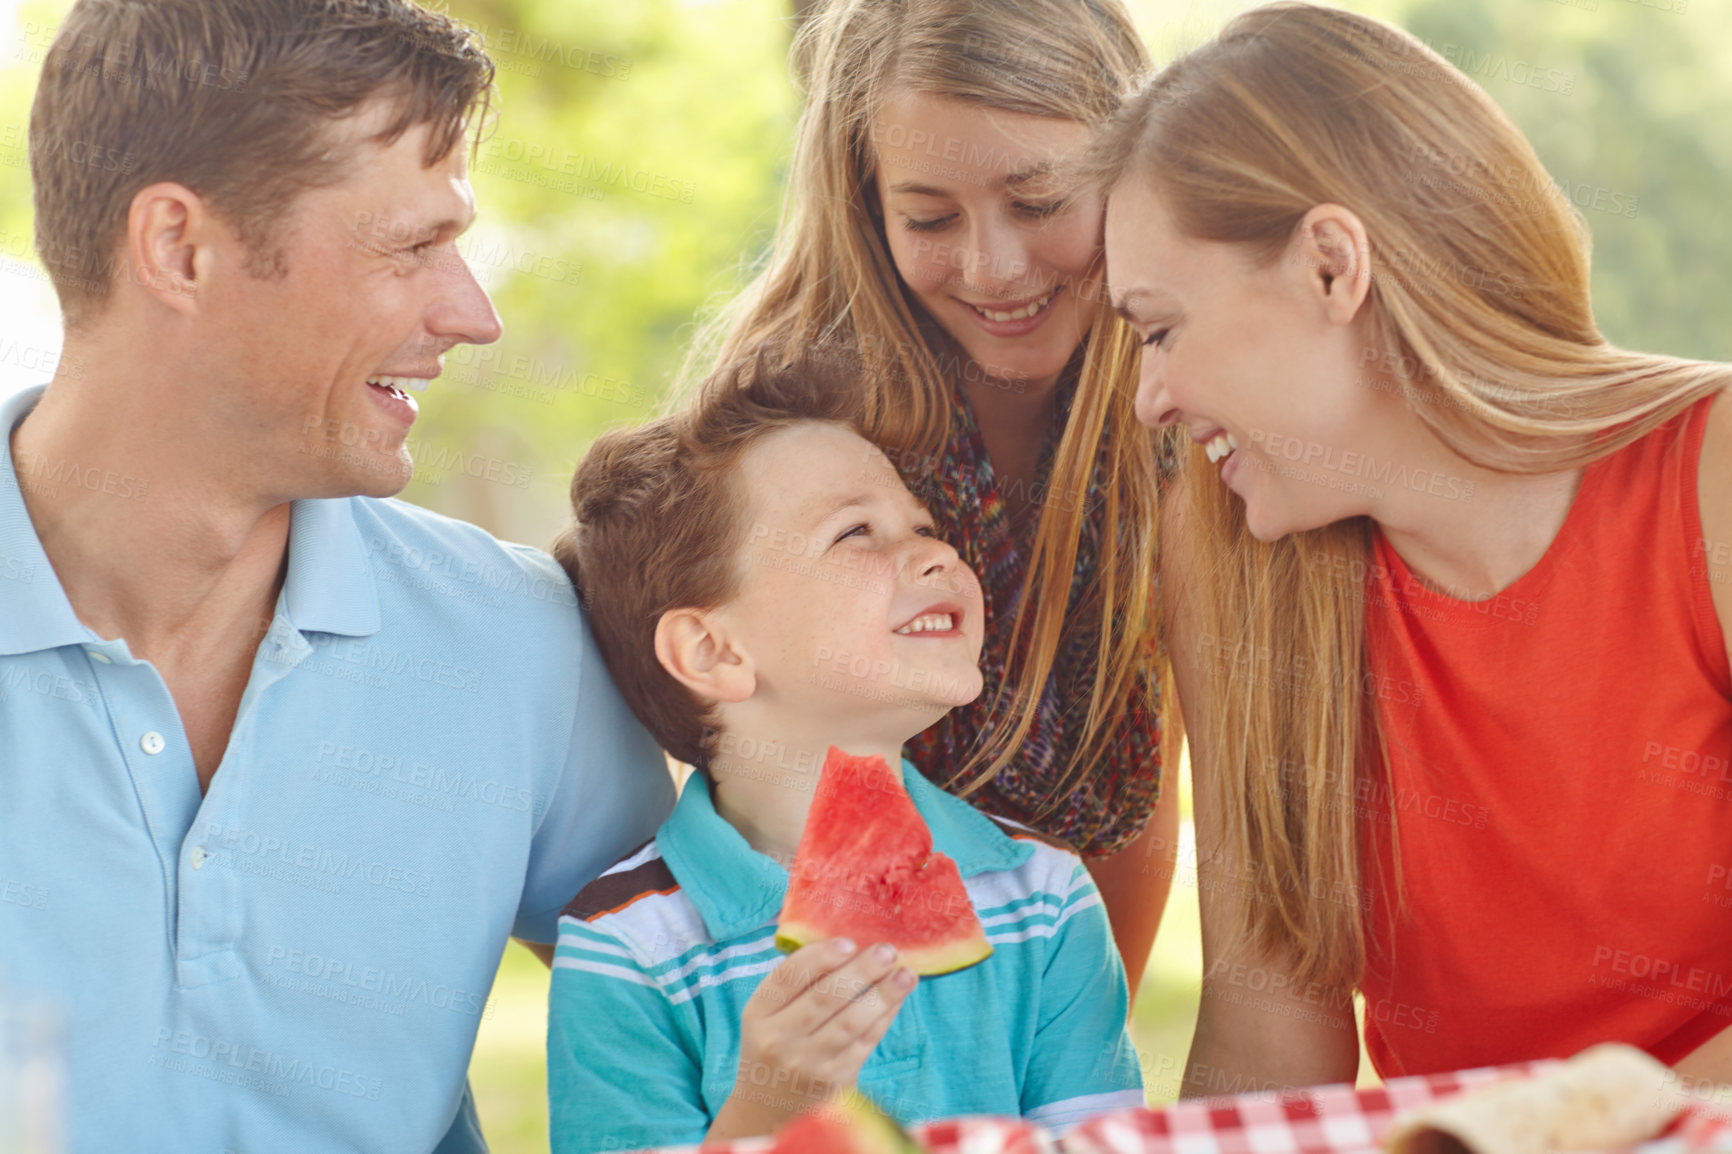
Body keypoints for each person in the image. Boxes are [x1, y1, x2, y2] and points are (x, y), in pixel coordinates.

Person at [0, 2, 673, 1150]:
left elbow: (729, 1017)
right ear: (179, 248)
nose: (474, 313)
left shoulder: (520, 644)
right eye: (411, 247)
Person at [1090, 0, 1732, 1093]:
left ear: (1332, 267)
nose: (1149, 397)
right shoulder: (1237, 564)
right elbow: (1267, 1023)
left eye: (1160, 328)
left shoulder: (1707, 477)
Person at [689, 0, 1182, 990]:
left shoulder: (1184, 405)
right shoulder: (781, 422)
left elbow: (1140, 771)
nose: (993, 267)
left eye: (1040, 203)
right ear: (867, 207)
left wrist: (1078, 1043)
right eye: (928, 217)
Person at [544, 349, 1146, 1152]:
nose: (940, 554)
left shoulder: (1042, 896)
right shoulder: (627, 944)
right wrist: (766, 1112)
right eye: (856, 533)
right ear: (714, 652)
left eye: (924, 527)